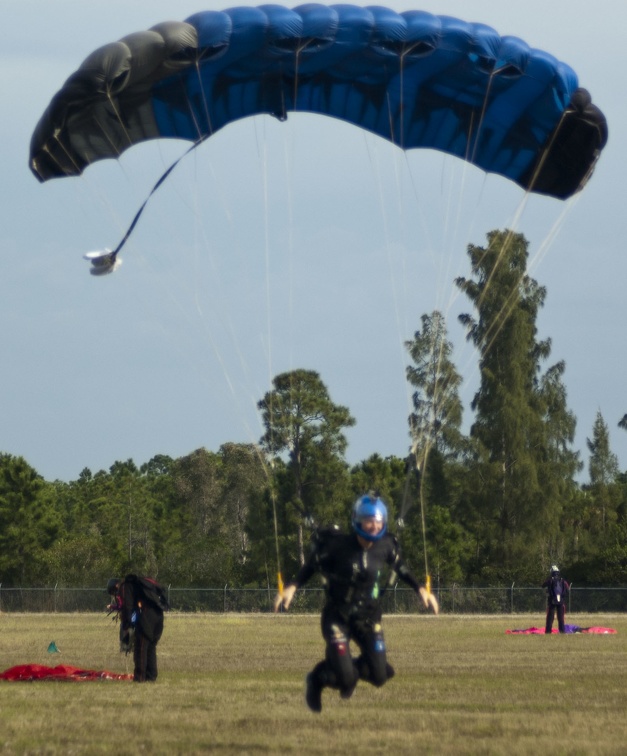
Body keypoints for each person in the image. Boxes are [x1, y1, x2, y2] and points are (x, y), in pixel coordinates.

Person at [274, 494, 439, 713]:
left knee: (380, 676)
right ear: (357, 520)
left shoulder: (386, 545)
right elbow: (311, 566)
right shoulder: (337, 546)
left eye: (378, 520)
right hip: (337, 617)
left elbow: (402, 568)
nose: (373, 525)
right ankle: (317, 679)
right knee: (347, 680)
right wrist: (292, 587)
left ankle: (363, 668)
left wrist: (421, 590)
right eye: (368, 520)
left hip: (368, 617)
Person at [107, 575, 169, 682]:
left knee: (141, 646)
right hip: (158, 615)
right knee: (150, 647)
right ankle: (151, 677)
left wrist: (127, 624)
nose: (117, 596)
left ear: (116, 586)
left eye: (115, 593)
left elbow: (128, 606)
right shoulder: (137, 585)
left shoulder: (125, 586)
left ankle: (139, 678)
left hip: (147, 615)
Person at [542, 565, 570, 634]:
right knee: (561, 618)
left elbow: (543, 585)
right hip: (561, 601)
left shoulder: (550, 580)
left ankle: (548, 631)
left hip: (552, 601)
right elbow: (567, 588)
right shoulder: (562, 580)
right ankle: (562, 631)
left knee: (550, 617)